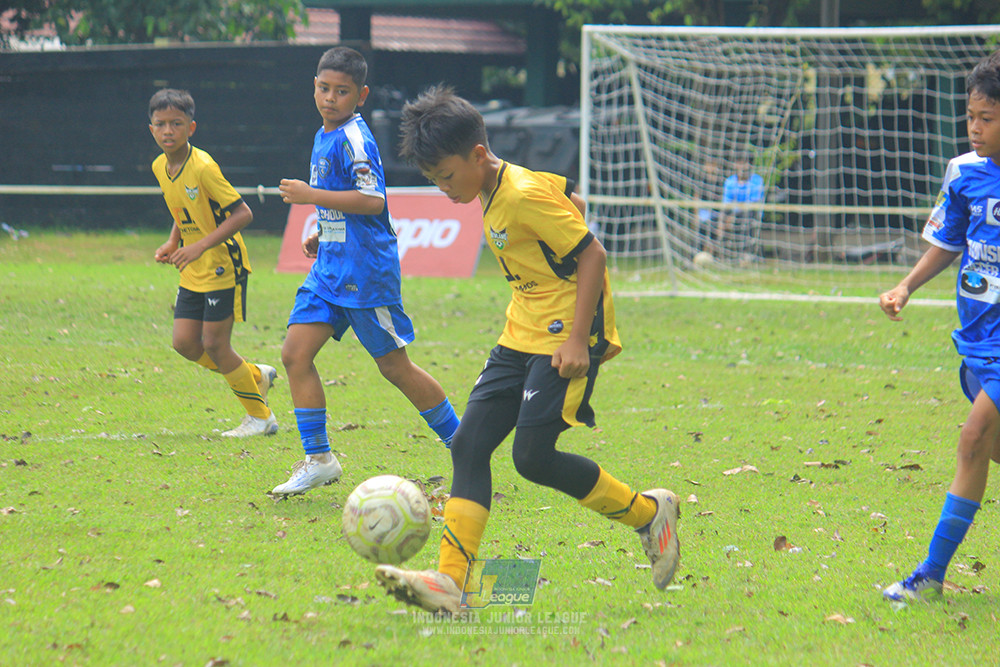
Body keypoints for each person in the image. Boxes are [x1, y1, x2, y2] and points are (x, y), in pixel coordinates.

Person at [374, 85, 680, 614]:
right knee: (468, 445)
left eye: (446, 177)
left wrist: (578, 337)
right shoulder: (497, 187)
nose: (443, 189)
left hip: (564, 336)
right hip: (519, 334)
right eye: (433, 181)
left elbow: (592, 255)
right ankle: (451, 583)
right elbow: (570, 198)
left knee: (532, 458)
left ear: (477, 155)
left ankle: (649, 514)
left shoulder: (520, 193)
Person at [273, 47, 459, 496]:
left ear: (361, 95)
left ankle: (464, 443)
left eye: (342, 91)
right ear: (313, 87)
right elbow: (343, 199)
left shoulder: (356, 137)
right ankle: (319, 459)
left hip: (366, 273)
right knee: (295, 354)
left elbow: (372, 201)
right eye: (323, 88)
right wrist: (323, 229)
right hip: (330, 268)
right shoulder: (324, 134)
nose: (330, 98)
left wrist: (309, 195)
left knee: (395, 367)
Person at [878, 51, 1000, 602]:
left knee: (972, 442)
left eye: (987, 117)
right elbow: (948, 242)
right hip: (976, 340)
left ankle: (930, 576)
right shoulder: (963, 172)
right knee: (989, 451)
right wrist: (906, 285)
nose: (975, 127)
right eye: (970, 116)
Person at [149, 88, 278, 438]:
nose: (168, 131)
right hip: (193, 267)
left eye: (176, 123)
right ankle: (254, 376)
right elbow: (183, 208)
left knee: (216, 344)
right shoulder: (160, 166)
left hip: (223, 264)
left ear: (191, 128)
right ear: (151, 129)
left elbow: (243, 213)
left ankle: (260, 417)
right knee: (185, 344)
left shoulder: (204, 166)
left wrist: (199, 246)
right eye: (160, 124)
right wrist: (175, 241)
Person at [716, 153, 765, 258]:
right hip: (734, 212)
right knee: (716, 219)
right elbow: (726, 204)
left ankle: (746, 254)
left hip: (751, 213)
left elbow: (753, 204)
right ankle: (720, 254)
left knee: (745, 217)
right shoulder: (730, 181)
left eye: (744, 163)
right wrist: (722, 221)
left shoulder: (757, 180)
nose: (742, 166)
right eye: (739, 163)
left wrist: (733, 216)